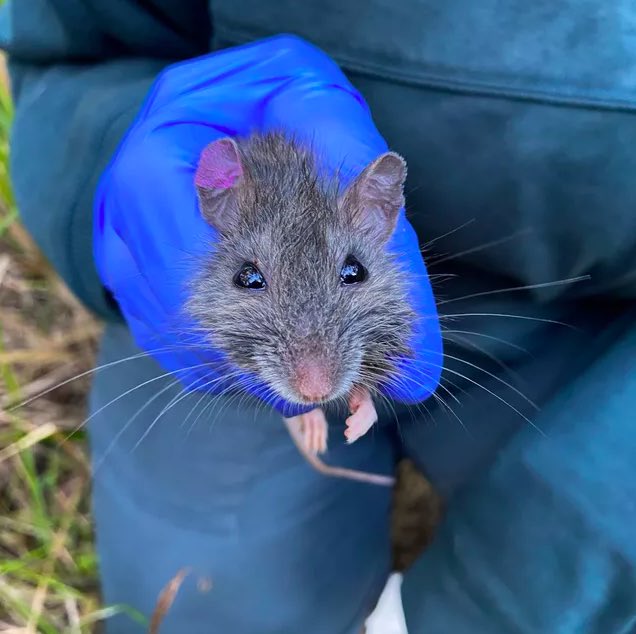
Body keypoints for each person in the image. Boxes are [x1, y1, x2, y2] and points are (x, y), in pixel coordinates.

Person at [3, 1, 636, 633]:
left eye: (353, 271)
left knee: (560, 560)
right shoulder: (219, 231)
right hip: (234, 298)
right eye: (250, 277)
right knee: (200, 608)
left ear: (381, 211)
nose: (313, 374)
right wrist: (103, 167)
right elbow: (66, 58)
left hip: (580, 324)